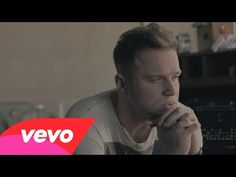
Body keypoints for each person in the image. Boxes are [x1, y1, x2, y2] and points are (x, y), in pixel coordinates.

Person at [65, 23, 203, 155]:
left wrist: (195, 152)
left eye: (175, 77)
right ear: (123, 84)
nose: (171, 91)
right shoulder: (80, 121)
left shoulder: (184, 121)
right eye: (156, 79)